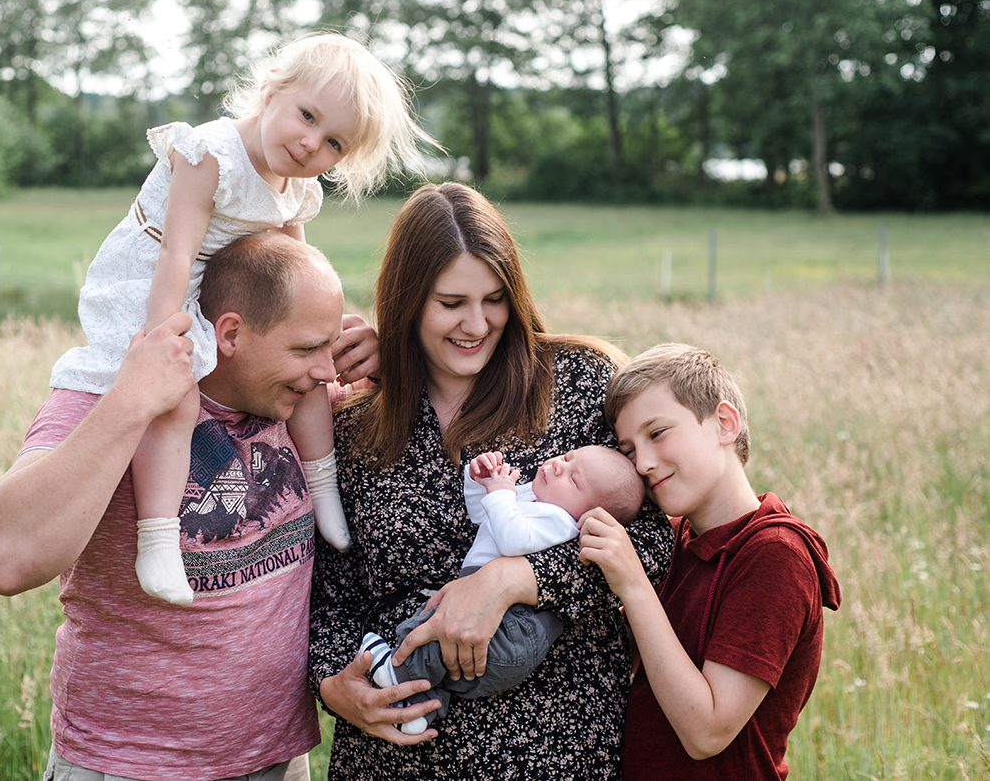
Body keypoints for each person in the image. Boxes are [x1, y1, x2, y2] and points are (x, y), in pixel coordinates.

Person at [47, 32, 436, 605]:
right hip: (153, 283)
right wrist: (162, 341)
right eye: (306, 116)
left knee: (310, 369)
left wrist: (320, 337)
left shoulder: (297, 187)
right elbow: (177, 252)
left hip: (216, 288)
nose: (310, 145)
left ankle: (323, 487)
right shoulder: (210, 154)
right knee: (174, 394)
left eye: (333, 143)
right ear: (273, 89)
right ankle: (157, 540)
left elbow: (295, 268)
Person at [307, 182, 675, 781]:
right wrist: (335, 686)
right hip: (398, 759)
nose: (477, 324)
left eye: (495, 299)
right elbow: (323, 591)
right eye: (451, 303)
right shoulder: (355, 426)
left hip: (553, 751)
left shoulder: (581, 385)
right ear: (405, 303)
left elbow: (655, 546)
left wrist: (517, 577)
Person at [0, 232, 377, 781]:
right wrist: (132, 400)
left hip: (276, 761)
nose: (325, 370)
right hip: (126, 765)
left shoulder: (304, 403)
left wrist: (383, 364)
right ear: (231, 334)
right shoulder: (103, 397)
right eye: (307, 349)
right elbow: (7, 559)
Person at [578, 342, 842, 780]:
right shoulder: (677, 539)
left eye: (657, 433)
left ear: (724, 423)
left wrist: (634, 585)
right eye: (628, 450)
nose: (642, 463)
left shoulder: (775, 554)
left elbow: (707, 733)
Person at [360, 444, 644, 735]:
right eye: (567, 458)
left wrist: (500, 494)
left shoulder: (562, 522)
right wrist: (480, 481)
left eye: (573, 480)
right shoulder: (531, 498)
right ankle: (420, 708)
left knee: (436, 622)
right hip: (505, 632)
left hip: (511, 628)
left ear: (588, 513)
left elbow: (512, 540)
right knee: (450, 663)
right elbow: (483, 517)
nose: (559, 466)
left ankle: (396, 669)